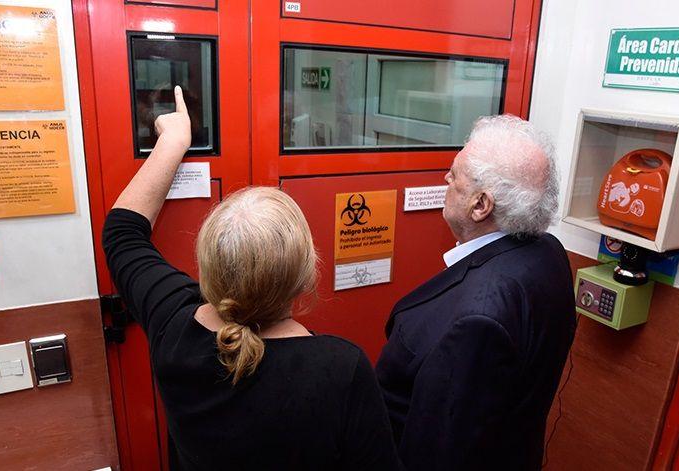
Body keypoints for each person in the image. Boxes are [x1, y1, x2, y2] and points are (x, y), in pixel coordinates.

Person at [103, 86, 400, 470]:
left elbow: (122, 234)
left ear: (207, 267)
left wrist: (172, 142)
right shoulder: (341, 369)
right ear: (306, 274)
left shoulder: (174, 325)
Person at [375, 115, 576, 470]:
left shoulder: (477, 323)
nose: (446, 179)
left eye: (456, 174)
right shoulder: (549, 252)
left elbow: (439, 451)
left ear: (481, 205)